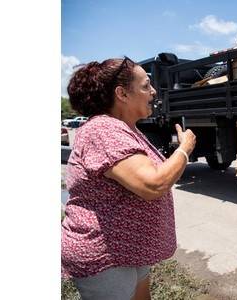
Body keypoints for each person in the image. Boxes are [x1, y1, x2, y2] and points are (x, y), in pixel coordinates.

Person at [61, 57, 197, 299]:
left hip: (129, 247)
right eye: (146, 86)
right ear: (122, 93)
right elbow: (153, 184)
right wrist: (184, 149)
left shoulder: (125, 128)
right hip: (105, 254)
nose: (154, 91)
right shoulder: (103, 130)